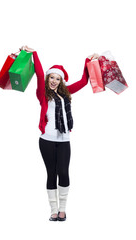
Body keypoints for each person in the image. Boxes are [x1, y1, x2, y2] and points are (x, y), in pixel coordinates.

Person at [20, 45, 99, 221]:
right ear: (48, 78)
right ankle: (53, 210)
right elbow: (39, 75)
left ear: (61, 81)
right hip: (46, 140)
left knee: (63, 172)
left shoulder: (66, 93)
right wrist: (34, 53)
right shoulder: (42, 94)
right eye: (51, 77)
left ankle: (63, 208)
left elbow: (83, 82)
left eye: (57, 78)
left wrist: (89, 61)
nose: (54, 81)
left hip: (64, 140)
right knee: (51, 173)